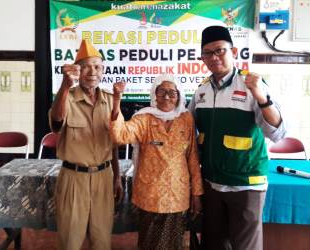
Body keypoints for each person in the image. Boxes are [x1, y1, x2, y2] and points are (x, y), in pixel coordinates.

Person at [188, 26, 287, 250]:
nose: (214, 57)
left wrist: (260, 96)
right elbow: (187, 130)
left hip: (246, 185)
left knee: (245, 246)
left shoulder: (252, 84)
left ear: (233, 51)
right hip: (213, 183)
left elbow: (278, 132)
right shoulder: (201, 91)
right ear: (202, 58)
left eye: (220, 51)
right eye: (207, 53)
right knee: (213, 244)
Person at [110, 74, 203, 250]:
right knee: (150, 243)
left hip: (178, 194)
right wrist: (116, 101)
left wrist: (196, 194)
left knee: (174, 243)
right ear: (154, 94)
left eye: (172, 92)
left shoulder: (186, 118)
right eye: (161, 91)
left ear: (179, 96)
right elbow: (119, 135)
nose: (167, 96)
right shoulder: (144, 118)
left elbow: (192, 157)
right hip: (149, 194)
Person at [49, 40, 123, 250]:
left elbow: (115, 142)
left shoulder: (110, 100)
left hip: (104, 178)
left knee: (102, 241)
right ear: (77, 71)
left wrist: (117, 176)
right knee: (70, 241)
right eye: (86, 66)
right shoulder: (66, 98)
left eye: (97, 67)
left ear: (103, 71)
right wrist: (65, 86)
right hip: (74, 179)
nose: (93, 71)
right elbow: (56, 122)